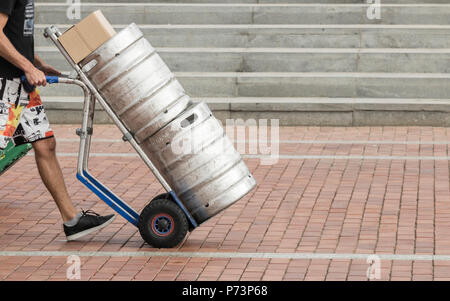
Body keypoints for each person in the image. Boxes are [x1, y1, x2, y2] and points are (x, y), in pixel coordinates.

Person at [0, 0, 115, 241]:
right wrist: (27, 67)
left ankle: (72, 220)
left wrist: (37, 64)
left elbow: (15, 34)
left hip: (22, 84)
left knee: (45, 145)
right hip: (5, 84)